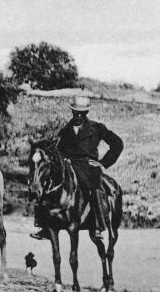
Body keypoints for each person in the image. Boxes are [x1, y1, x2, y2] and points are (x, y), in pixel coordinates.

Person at [31, 96, 124, 240]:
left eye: (83, 113)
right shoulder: (65, 130)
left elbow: (117, 144)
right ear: (72, 112)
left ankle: (98, 224)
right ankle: (44, 225)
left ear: (87, 112)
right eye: (76, 112)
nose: (79, 115)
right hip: (69, 165)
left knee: (94, 187)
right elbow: (58, 150)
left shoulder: (97, 128)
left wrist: (103, 162)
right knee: (47, 186)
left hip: (89, 166)